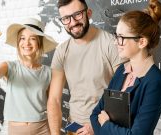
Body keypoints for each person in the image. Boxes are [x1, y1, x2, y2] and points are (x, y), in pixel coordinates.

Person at [47, 0, 125, 134]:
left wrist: (94, 126)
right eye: (66, 18)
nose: (72, 22)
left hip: (104, 128)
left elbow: (123, 93)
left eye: (77, 14)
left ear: (88, 13)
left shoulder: (110, 44)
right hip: (74, 128)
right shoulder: (62, 51)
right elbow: (54, 99)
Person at [90, 0, 161, 134]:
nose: (116, 42)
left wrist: (106, 124)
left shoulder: (155, 81)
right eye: (116, 36)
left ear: (141, 42)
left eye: (121, 37)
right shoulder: (122, 70)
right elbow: (95, 115)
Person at [0, 18, 57, 135]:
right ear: (18, 43)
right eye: (22, 38)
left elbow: (52, 104)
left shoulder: (49, 72)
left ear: (39, 43)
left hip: (43, 128)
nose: (26, 43)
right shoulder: (9, 67)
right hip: (17, 130)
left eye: (32, 38)